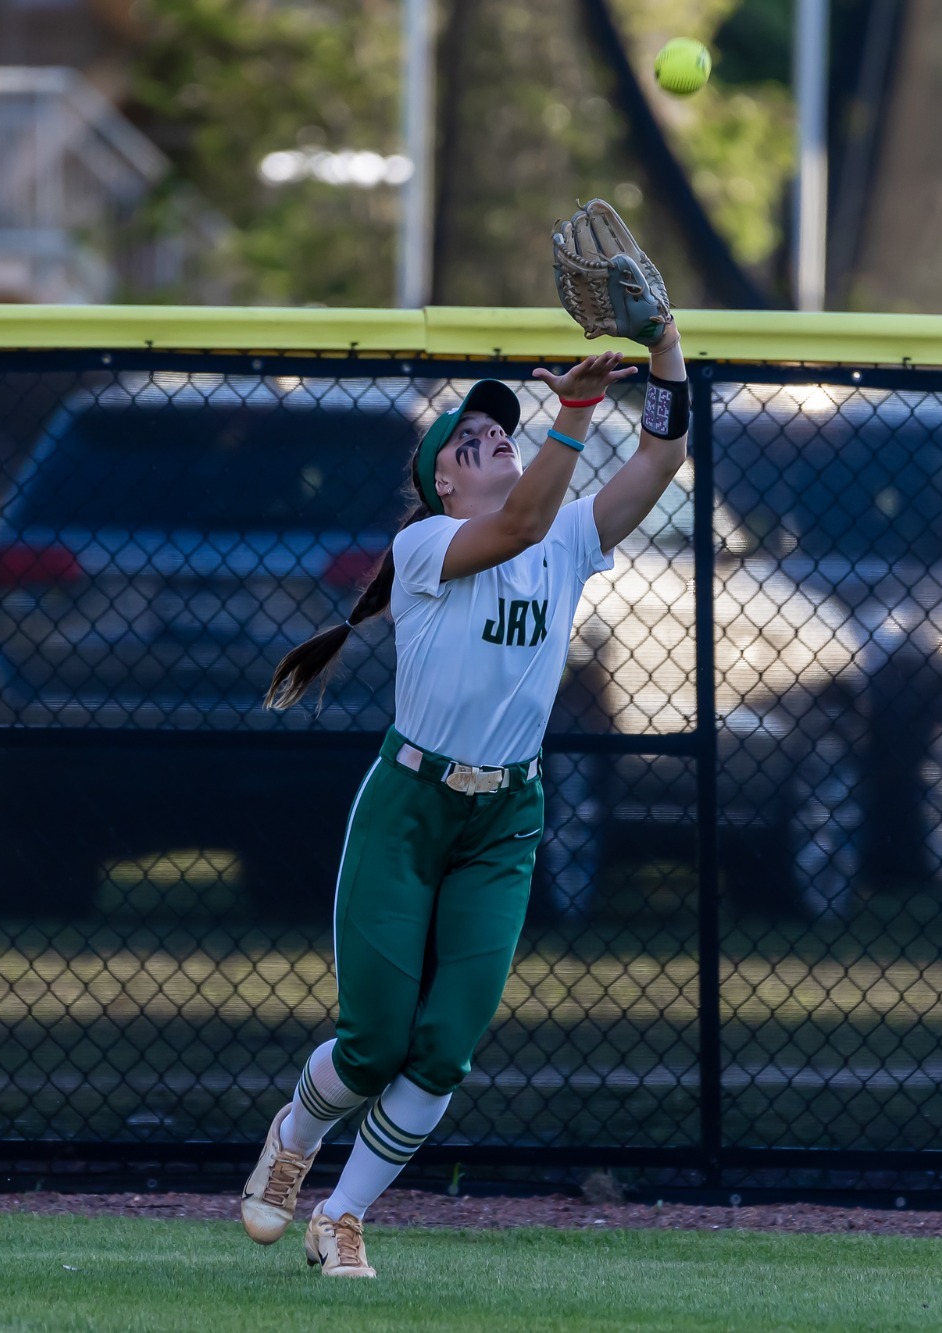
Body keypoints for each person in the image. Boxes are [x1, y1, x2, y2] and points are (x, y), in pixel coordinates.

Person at [242, 315, 691, 1278]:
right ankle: (294, 1131)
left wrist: (666, 349)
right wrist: (571, 410)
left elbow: (660, 459)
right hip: (409, 811)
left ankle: (343, 1217)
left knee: (443, 1049)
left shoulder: (566, 535)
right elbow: (519, 520)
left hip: (504, 821)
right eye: (468, 437)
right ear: (442, 480)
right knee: (372, 1047)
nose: (492, 434)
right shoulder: (428, 549)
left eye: (502, 430)